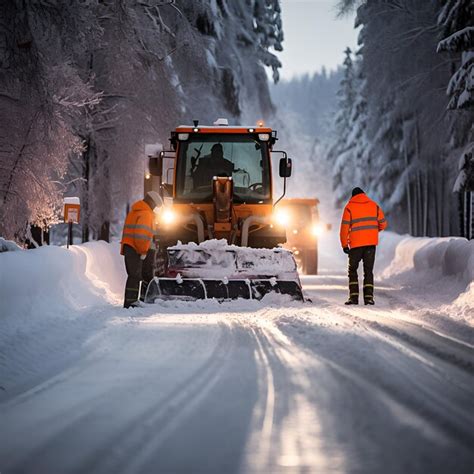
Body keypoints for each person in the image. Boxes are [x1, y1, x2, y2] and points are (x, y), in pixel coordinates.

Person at [339, 187, 387, 305]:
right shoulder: (374, 205)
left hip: (355, 246)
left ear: (353, 196)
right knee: (368, 271)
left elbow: (344, 228)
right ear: (364, 194)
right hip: (370, 245)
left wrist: (345, 245)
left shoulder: (349, 207)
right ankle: (369, 298)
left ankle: (354, 298)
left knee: (352, 270)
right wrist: (372, 232)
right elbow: (383, 224)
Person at [121, 191, 162, 308]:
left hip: (130, 247)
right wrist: (143, 251)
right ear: (151, 202)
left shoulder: (136, 210)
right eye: (155, 206)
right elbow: (141, 236)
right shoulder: (146, 214)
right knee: (135, 276)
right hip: (136, 248)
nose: (154, 208)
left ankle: (132, 301)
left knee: (135, 275)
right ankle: (131, 302)